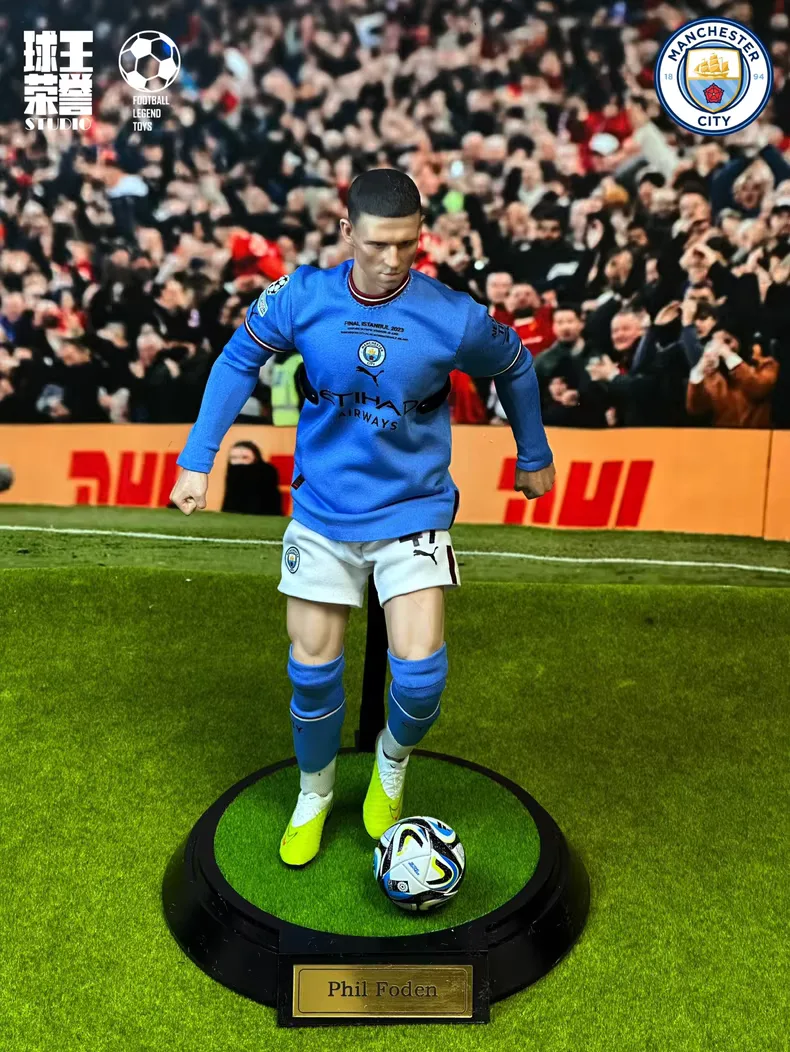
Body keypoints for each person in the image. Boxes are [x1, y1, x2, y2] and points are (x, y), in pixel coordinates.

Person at [170, 170, 558, 866]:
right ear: (347, 232)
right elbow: (238, 358)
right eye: (377, 244)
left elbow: (515, 364)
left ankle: (391, 764)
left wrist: (534, 453)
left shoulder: (451, 315)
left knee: (421, 677)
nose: (392, 259)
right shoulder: (303, 296)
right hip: (322, 511)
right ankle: (315, 793)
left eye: (407, 244)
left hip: (412, 509)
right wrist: (198, 459)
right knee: (312, 671)